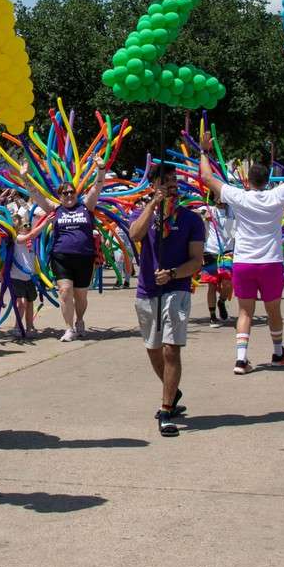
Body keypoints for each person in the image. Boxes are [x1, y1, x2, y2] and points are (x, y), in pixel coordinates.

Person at [199, 122, 284, 373]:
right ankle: (277, 352)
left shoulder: (239, 197)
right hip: (270, 261)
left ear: (248, 181)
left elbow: (207, 178)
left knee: (244, 312)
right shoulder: (278, 195)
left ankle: (241, 359)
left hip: (243, 262)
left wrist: (203, 151)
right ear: (268, 180)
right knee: (274, 310)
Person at [128, 162, 205, 437]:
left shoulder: (191, 219)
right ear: (154, 185)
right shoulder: (143, 213)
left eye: (174, 180)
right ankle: (172, 390)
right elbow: (134, 235)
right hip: (147, 291)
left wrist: (173, 274)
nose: (172, 184)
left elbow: (197, 261)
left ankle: (165, 410)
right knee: (154, 350)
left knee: (172, 349)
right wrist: (153, 205)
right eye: (165, 180)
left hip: (177, 289)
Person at [36, 167, 106, 342]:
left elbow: (97, 187)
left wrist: (101, 169)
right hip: (61, 256)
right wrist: (25, 178)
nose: (68, 195)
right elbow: (36, 195)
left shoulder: (86, 206)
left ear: (76, 194)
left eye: (71, 192)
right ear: (59, 196)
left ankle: (80, 320)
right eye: (64, 193)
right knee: (65, 291)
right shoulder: (55, 209)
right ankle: (69, 328)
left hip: (84, 256)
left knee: (81, 295)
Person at [9, 199, 42, 341]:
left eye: (29, 225)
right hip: (17, 276)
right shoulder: (19, 238)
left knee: (29, 303)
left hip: (29, 277)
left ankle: (29, 326)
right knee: (20, 303)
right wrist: (44, 224)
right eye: (25, 225)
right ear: (18, 228)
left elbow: (35, 231)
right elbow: (31, 235)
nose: (28, 227)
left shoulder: (31, 240)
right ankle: (17, 326)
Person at [197, 200, 233, 324]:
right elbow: (191, 211)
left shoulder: (232, 210)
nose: (219, 198)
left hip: (228, 252)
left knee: (228, 283)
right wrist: (203, 214)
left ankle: (221, 301)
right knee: (211, 285)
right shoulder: (209, 209)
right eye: (216, 194)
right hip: (210, 251)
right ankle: (212, 316)